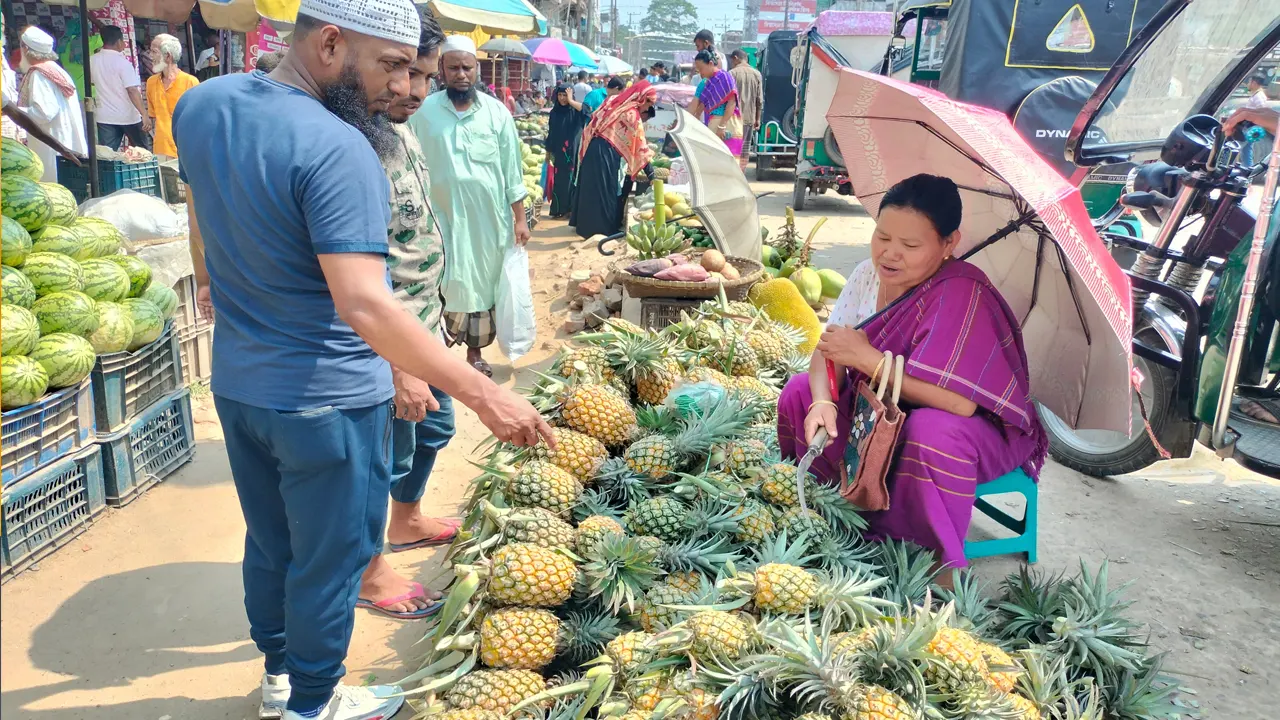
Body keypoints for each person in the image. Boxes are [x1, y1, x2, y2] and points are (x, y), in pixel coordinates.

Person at [172, 2, 553, 718]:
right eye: (388, 66)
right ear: (329, 42)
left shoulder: (203, 105)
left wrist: (212, 281)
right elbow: (367, 305)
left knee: (272, 543)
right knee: (335, 559)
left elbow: (200, 211)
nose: (400, 86)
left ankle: (281, 679)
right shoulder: (341, 148)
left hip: (241, 384)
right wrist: (483, 393)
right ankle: (313, 705)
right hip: (328, 396)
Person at [776, 174, 1046, 578]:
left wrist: (868, 359)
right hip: (885, 405)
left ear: (949, 243)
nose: (890, 254)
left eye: (911, 245)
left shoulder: (962, 293)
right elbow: (827, 351)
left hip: (969, 428)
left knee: (930, 431)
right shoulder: (869, 275)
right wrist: (821, 401)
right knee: (800, 391)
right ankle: (823, 519)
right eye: (882, 237)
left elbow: (959, 402)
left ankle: (927, 568)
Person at [352, 10, 456, 622]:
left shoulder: (399, 126)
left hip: (424, 320)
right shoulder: (355, 138)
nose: (415, 92)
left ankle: (408, 518)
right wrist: (396, 364)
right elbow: (359, 272)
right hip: (385, 338)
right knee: (382, 456)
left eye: (426, 77)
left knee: (434, 431)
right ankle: (368, 569)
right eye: (406, 75)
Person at [409, 35, 530, 377]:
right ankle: (438, 352)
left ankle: (474, 352)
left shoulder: (496, 114)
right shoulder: (424, 112)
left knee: (482, 284)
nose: (461, 74)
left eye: (467, 67)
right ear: (441, 72)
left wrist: (520, 220)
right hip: (438, 218)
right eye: (453, 68)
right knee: (440, 279)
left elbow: (512, 170)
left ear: (477, 69)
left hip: (487, 222)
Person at [571, 80, 656, 239]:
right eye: (648, 103)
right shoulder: (631, 114)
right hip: (608, 153)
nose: (647, 108)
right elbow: (640, 148)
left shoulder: (612, 101)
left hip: (593, 147)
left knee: (591, 189)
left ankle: (585, 229)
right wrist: (651, 174)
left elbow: (594, 120)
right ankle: (604, 231)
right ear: (641, 98)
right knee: (606, 191)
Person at [15, 26, 87, 182]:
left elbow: (44, 113)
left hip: (53, 146)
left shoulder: (39, 74)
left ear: (25, 48)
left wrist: (15, 111)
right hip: (64, 141)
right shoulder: (56, 69)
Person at [91, 25, 150, 151]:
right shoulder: (123, 63)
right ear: (119, 42)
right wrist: (144, 114)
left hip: (105, 117)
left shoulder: (92, 60)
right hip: (129, 117)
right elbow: (132, 90)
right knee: (143, 153)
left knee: (107, 156)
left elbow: (92, 83)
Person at [146, 33, 199, 159]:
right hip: (160, 149)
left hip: (184, 150)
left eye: (154, 52)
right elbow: (154, 116)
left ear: (168, 56)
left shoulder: (190, 82)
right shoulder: (151, 83)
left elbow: (197, 120)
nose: (150, 56)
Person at [545, 83, 590, 218]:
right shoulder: (554, 112)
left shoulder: (575, 111)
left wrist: (571, 101)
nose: (562, 98)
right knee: (560, 181)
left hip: (573, 152)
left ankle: (571, 211)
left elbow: (587, 111)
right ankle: (558, 209)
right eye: (560, 95)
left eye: (565, 95)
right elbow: (551, 133)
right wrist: (548, 152)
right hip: (559, 152)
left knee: (572, 179)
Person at [687, 50, 742, 155]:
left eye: (701, 69)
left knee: (730, 159)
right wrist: (681, 121)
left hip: (728, 124)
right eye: (698, 70)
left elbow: (732, 103)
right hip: (712, 124)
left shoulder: (725, 77)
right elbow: (694, 106)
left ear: (710, 64)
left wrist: (722, 126)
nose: (700, 73)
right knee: (714, 159)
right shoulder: (704, 83)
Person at [728, 48, 762, 171]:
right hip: (749, 119)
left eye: (732, 61)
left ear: (735, 58)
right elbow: (759, 100)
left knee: (732, 149)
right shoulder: (757, 74)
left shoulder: (731, 73)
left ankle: (732, 174)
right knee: (744, 150)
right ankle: (741, 174)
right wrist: (757, 119)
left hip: (733, 119)